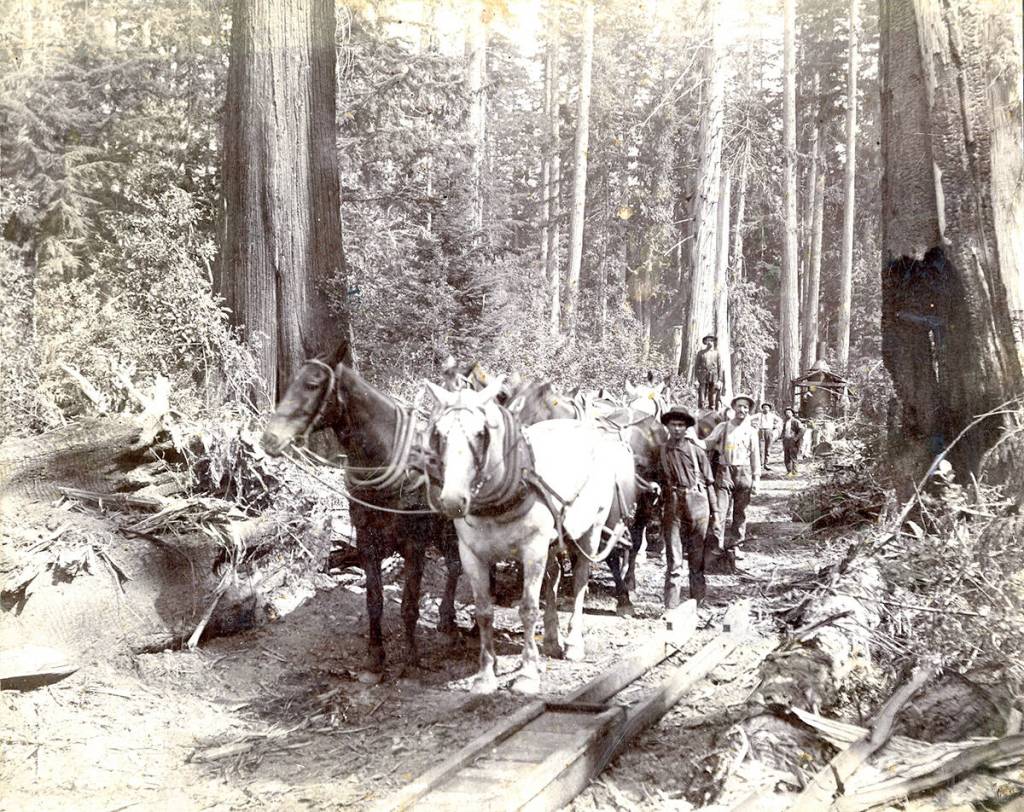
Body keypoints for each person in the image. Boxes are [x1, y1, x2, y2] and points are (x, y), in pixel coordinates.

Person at [655, 405, 718, 608]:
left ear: (686, 427)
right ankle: (671, 608)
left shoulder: (697, 451)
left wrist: (716, 514)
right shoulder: (661, 452)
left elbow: (709, 483)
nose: (677, 429)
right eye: (673, 424)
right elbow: (655, 480)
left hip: (698, 505)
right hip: (673, 507)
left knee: (696, 560)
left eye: (681, 425)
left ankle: (696, 605)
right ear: (667, 426)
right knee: (674, 561)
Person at [704, 394, 760, 550]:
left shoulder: (751, 431)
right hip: (725, 472)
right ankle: (717, 545)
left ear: (749, 410)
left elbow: (755, 456)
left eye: (745, 407)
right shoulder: (723, 427)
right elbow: (708, 444)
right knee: (720, 510)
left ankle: (736, 545)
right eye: (739, 406)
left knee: (740, 512)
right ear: (733, 407)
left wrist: (756, 479)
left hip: (744, 473)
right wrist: (692, 438)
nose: (742, 409)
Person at [693, 335, 724, 411]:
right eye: (708, 340)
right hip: (702, 377)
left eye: (711, 340)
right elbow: (696, 367)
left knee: (712, 398)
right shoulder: (701, 353)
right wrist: (696, 379)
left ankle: (712, 412)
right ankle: (701, 412)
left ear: (714, 342)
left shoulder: (717, 353)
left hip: (713, 377)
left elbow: (720, 367)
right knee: (701, 398)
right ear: (705, 342)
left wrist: (719, 380)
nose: (710, 342)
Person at [752, 402, 782, 470]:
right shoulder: (759, 415)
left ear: (769, 409)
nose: (765, 409)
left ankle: (766, 464)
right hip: (761, 431)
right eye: (764, 407)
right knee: (761, 449)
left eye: (767, 407)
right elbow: (750, 418)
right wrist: (754, 425)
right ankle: (761, 465)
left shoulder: (772, 415)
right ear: (762, 409)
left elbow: (780, 420)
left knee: (768, 449)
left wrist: (775, 426)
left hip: (769, 431)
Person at [781, 407, 805, 477]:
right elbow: (783, 431)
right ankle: (789, 471)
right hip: (786, 440)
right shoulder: (785, 422)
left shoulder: (796, 421)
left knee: (793, 456)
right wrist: (783, 437)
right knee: (786, 456)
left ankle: (795, 472)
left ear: (792, 414)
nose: (787, 414)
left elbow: (802, 430)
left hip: (793, 441)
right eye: (786, 413)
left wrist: (796, 438)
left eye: (789, 412)